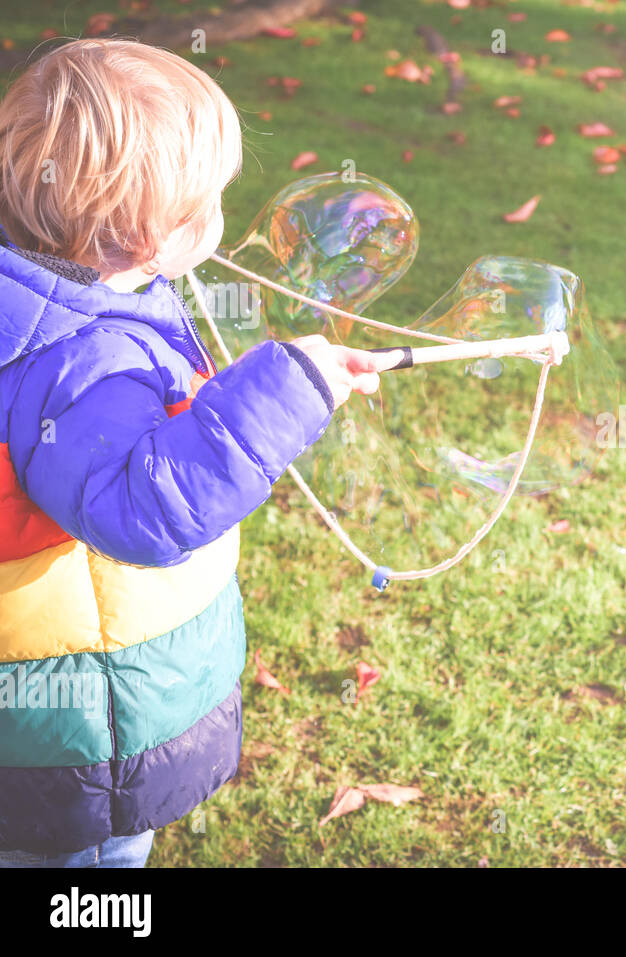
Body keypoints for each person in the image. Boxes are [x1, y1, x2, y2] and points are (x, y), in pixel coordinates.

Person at [0, 37, 379, 866]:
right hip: (78, 739)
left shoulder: (50, 294)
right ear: (136, 233)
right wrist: (288, 393)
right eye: (200, 204)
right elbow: (145, 506)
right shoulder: (81, 360)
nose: (217, 216)